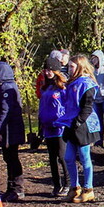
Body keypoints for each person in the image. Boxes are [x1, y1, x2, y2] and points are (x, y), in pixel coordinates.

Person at [62, 54, 101, 203]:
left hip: (82, 125)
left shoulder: (87, 84)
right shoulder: (71, 83)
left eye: (72, 66)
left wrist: (77, 123)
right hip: (70, 123)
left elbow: (87, 108)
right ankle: (74, 187)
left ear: (80, 67)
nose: (69, 69)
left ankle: (88, 189)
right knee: (68, 158)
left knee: (85, 158)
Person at [0, 61, 27, 202]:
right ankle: (11, 188)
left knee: (12, 158)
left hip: (10, 129)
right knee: (8, 158)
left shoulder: (6, 88)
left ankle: (17, 189)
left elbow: (5, 110)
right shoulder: (3, 87)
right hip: (8, 128)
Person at [37, 58, 70, 196]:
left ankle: (68, 184)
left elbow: (68, 105)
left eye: (50, 69)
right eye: (46, 69)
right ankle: (56, 185)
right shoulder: (45, 88)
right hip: (47, 127)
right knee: (52, 158)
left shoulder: (62, 87)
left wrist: (63, 120)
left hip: (60, 128)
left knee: (62, 156)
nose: (48, 72)